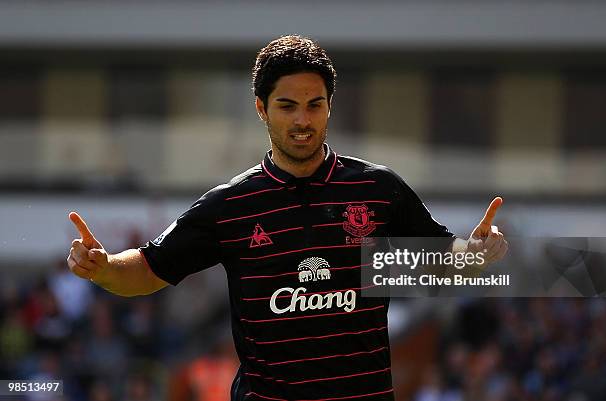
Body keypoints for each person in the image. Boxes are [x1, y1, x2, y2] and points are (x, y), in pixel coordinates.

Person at [67, 35, 508, 401]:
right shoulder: (231, 204)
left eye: (315, 105)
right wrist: (104, 267)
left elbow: (441, 258)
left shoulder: (378, 189)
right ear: (262, 109)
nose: (303, 120)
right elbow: (148, 269)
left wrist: (477, 251)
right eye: (287, 106)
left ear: (330, 107)